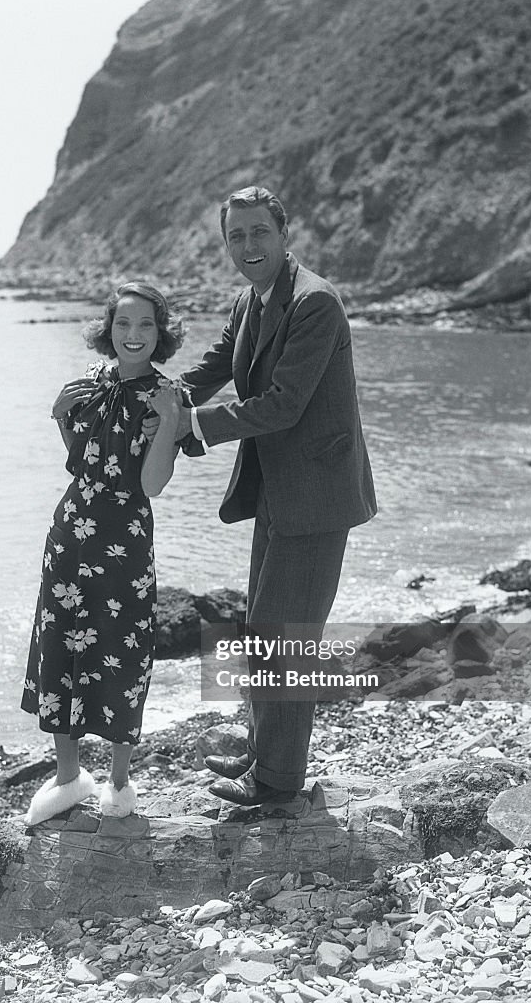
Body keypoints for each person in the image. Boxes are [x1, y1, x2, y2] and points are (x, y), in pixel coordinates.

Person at [158, 185, 377, 807]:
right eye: (236, 236)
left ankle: (277, 785)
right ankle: (264, 753)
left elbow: (281, 405)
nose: (248, 246)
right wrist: (161, 394)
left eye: (259, 232)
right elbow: (217, 363)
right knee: (261, 630)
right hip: (277, 492)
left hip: (317, 496)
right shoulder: (251, 300)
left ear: (284, 235)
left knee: (286, 640)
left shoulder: (316, 304)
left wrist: (193, 428)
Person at [20, 282, 184, 825]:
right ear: (107, 329)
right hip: (70, 534)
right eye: (123, 324)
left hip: (125, 542)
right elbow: (82, 461)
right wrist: (60, 417)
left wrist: (167, 419)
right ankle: (68, 778)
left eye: (144, 326)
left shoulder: (166, 395)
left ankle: (118, 781)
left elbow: (152, 483)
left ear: (160, 333)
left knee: (122, 649)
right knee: (60, 646)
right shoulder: (89, 384)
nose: (132, 335)